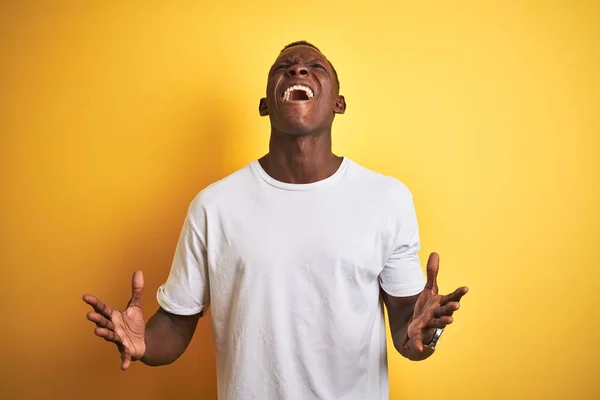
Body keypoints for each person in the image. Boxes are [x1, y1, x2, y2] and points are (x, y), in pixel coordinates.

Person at [83, 41, 468, 400]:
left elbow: (408, 330)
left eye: (314, 67)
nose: (298, 70)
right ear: (266, 104)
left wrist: (425, 335)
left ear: (339, 103)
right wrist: (144, 343)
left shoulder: (386, 199)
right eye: (284, 68)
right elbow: (175, 325)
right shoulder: (214, 206)